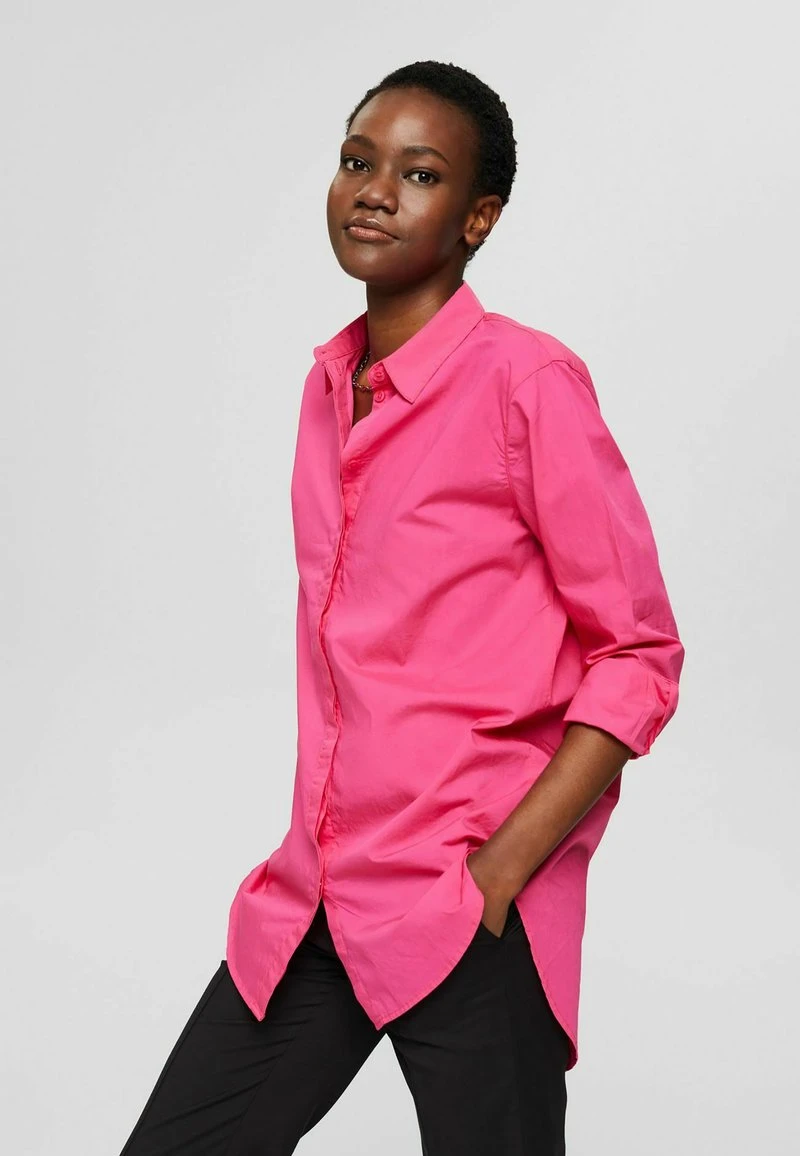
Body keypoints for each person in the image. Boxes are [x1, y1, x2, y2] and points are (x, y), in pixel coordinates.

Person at [118, 60, 685, 1155]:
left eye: (419, 174)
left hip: (469, 905)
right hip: (316, 899)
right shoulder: (327, 386)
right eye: (356, 161)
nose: (374, 191)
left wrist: (499, 874)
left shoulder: (527, 382)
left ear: (479, 217)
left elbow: (638, 655)